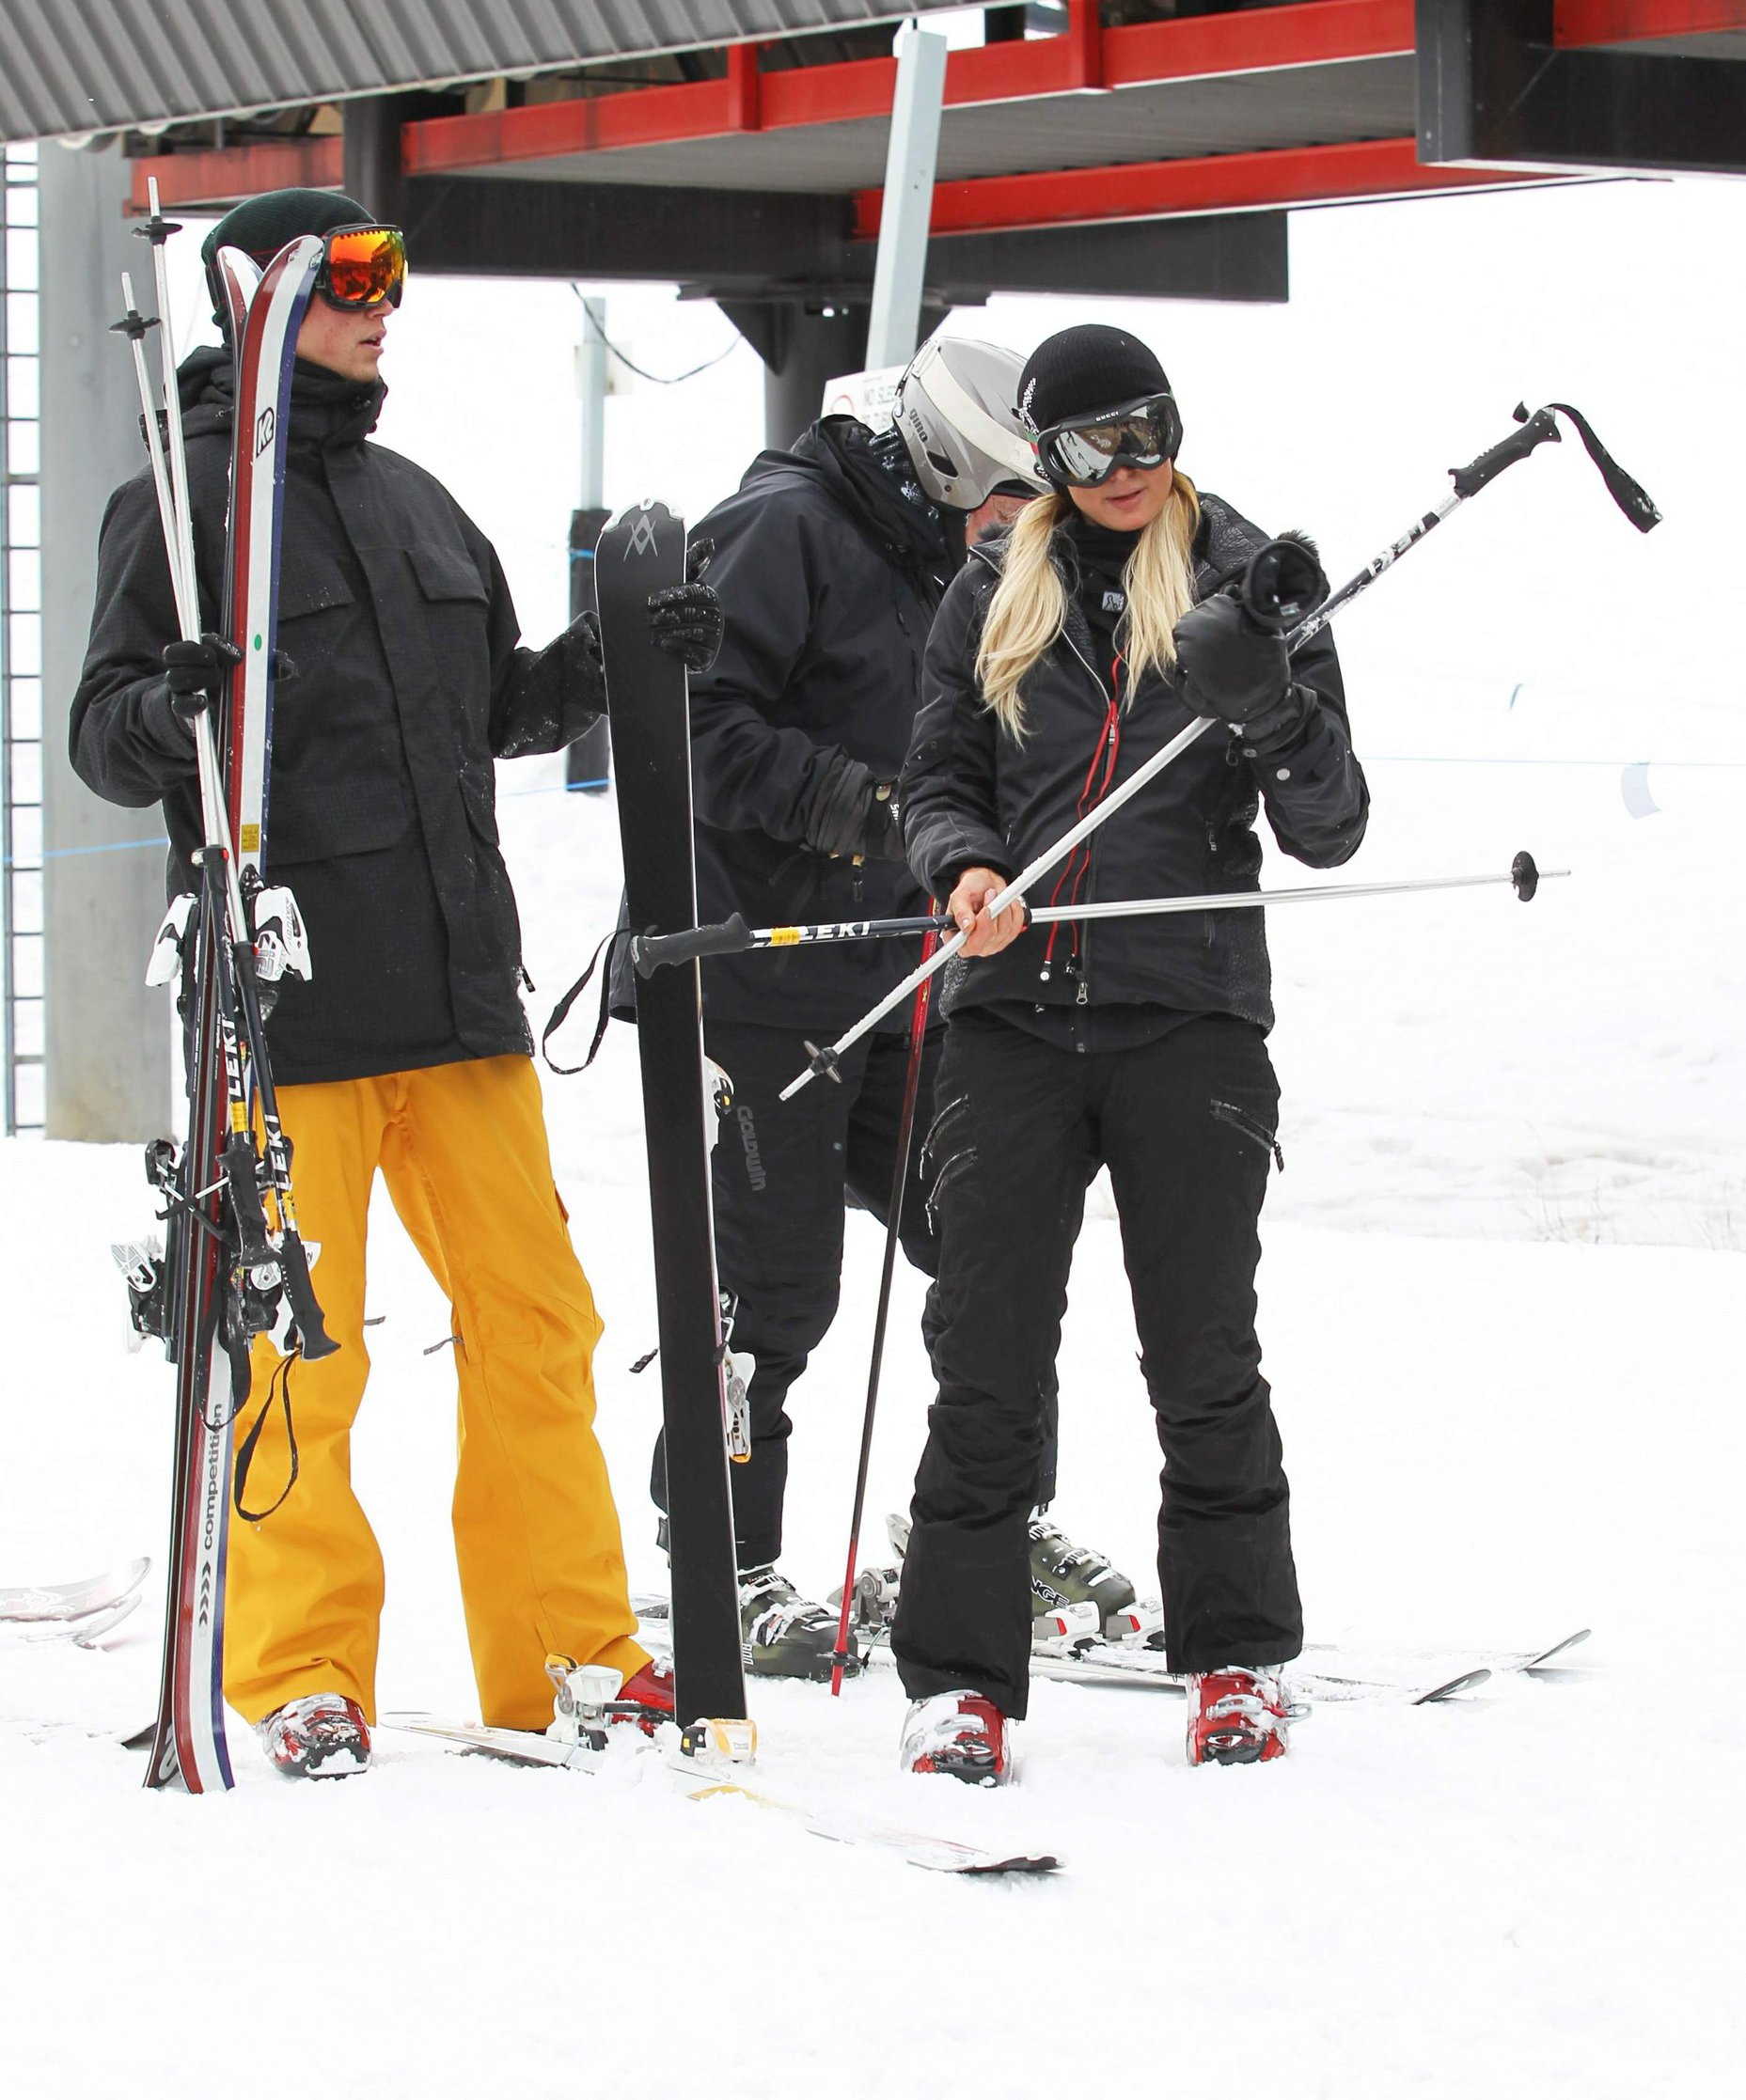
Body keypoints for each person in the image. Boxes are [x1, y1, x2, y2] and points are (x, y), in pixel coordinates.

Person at [71, 189, 720, 1778]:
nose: (382, 304)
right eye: (348, 278)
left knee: (536, 1322)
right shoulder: (186, 499)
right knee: (303, 1346)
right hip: (287, 1005)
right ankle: (300, 1669)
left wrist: (610, 664)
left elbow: (491, 708)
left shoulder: (425, 506)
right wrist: (169, 708)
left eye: (392, 275)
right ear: (262, 299)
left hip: (460, 996)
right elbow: (100, 734)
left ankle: (566, 1648)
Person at [890, 323, 1370, 1780]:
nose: (1131, 468)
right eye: (1095, 445)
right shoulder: (990, 587)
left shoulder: (1249, 579)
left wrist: (1272, 708)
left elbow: (1332, 823)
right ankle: (959, 1680)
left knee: (1203, 1351)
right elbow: (937, 774)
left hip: (1189, 1021)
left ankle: (1233, 1657)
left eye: (1151, 431)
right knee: (983, 1359)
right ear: (1043, 456)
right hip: (1015, 1021)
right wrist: (962, 866)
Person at [614, 334, 1129, 1679]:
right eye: (1009, 501)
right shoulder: (783, 527)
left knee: (994, 1238)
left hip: (919, 979)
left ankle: (993, 1520)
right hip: (761, 974)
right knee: (768, 1285)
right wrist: (864, 808)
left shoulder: (975, 562)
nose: (1020, 531)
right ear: (949, 457)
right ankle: (721, 1562)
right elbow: (690, 731)